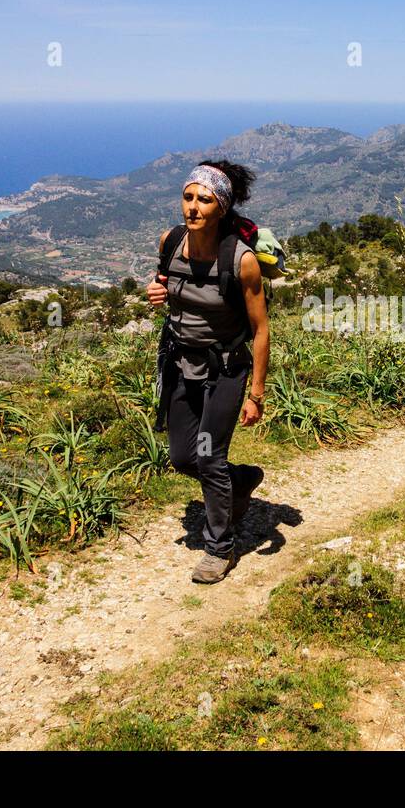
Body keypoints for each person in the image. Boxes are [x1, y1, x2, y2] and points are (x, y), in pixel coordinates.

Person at [147, 160, 269, 584]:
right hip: (182, 364)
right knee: (183, 457)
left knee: (207, 454)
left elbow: (260, 328)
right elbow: (165, 281)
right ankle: (242, 480)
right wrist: (156, 290)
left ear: (222, 207)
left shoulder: (241, 260)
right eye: (188, 197)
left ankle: (220, 548)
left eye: (205, 199)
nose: (193, 208)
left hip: (226, 371)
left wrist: (256, 393)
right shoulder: (171, 241)